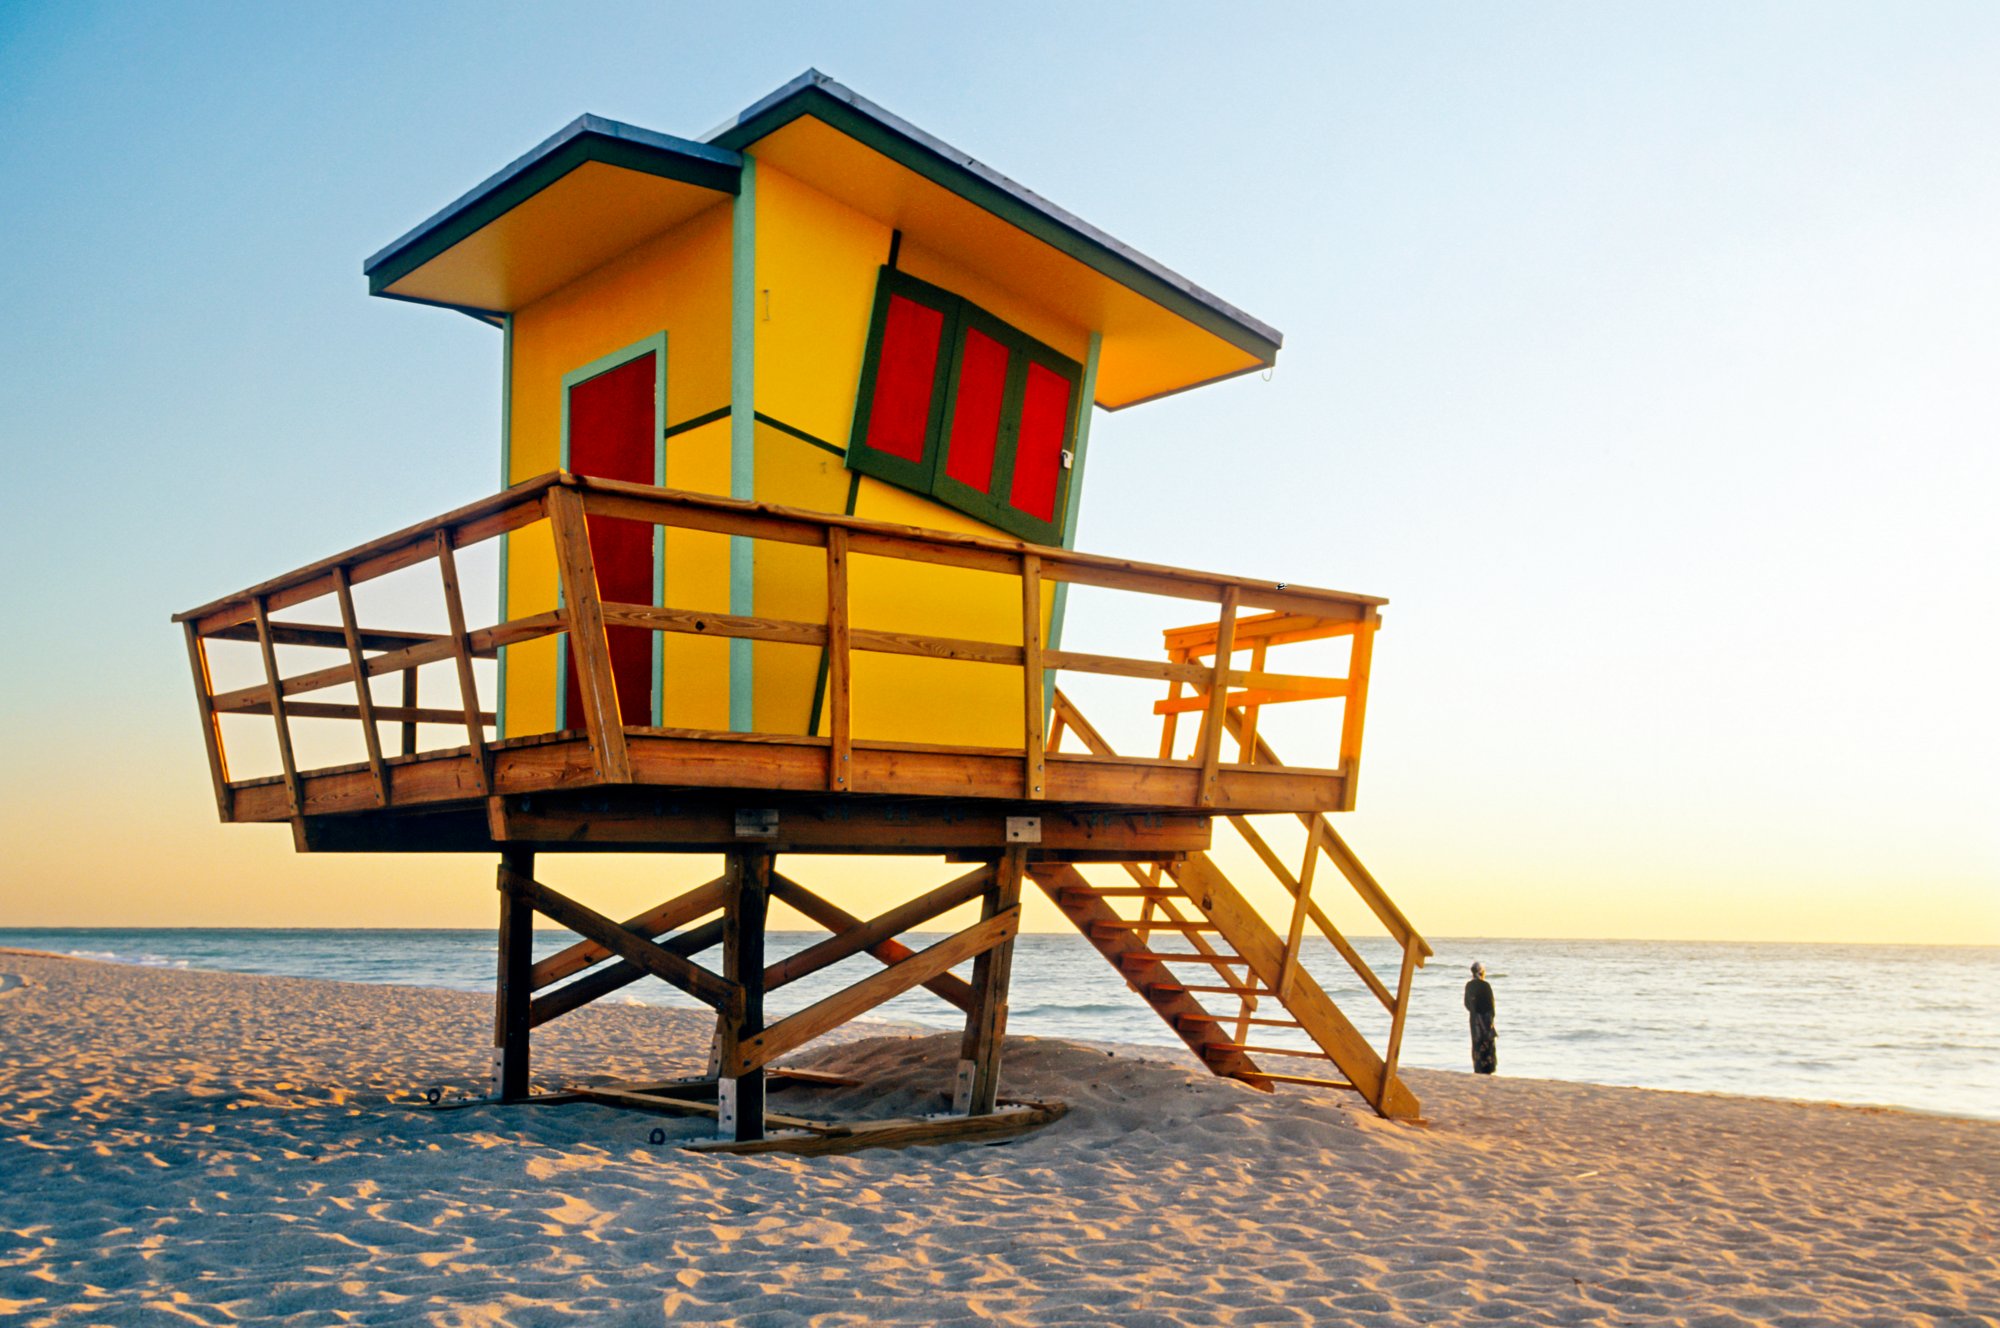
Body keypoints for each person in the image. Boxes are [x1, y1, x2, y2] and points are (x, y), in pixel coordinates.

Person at [1464, 961, 1497, 1074]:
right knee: (1487, 1042)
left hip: (1474, 1020)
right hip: (1486, 1018)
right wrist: (1491, 1018)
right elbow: (1491, 1004)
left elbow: (1467, 1004)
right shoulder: (1486, 985)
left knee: (1477, 1043)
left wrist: (1474, 1013)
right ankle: (1488, 1067)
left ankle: (1478, 1067)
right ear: (1482, 972)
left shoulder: (1469, 985)